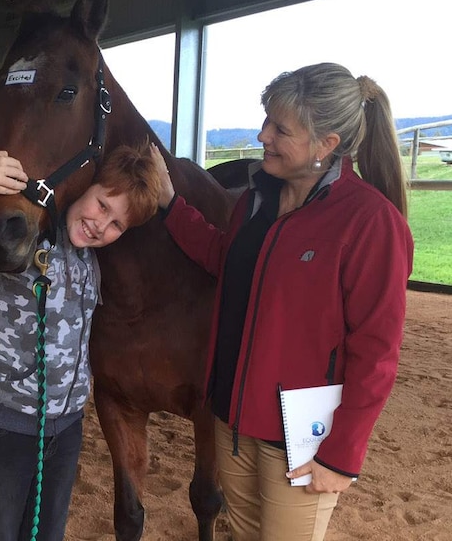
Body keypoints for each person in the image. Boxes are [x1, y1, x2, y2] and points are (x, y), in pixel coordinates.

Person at [154, 62, 414, 541]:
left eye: (280, 128)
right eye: (266, 121)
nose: (262, 135)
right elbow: (223, 258)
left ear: (326, 144)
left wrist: (341, 456)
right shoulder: (256, 200)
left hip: (302, 444)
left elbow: (377, 352)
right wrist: (172, 205)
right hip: (232, 422)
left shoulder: (369, 221)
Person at [0, 143, 162, 541]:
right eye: (101, 205)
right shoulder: (22, 233)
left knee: (47, 534)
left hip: (65, 429)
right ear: (84, 187)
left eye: (117, 224)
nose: (101, 225)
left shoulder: (92, 260)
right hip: (0, 423)